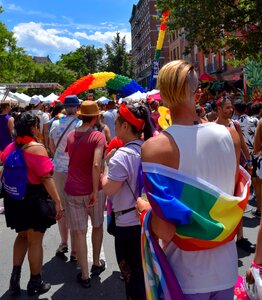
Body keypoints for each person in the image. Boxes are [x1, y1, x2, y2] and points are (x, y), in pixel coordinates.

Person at [136, 60, 247, 299]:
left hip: (185, 275)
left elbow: (165, 231)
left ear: (162, 96)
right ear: (198, 93)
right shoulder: (230, 135)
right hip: (226, 268)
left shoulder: (155, 148)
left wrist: (145, 212)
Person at [0, 112, 63, 296]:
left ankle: (14, 280)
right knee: (35, 242)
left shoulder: (12, 147)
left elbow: (3, 164)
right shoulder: (36, 148)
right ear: (33, 128)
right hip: (33, 199)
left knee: (21, 237)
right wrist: (58, 202)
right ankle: (35, 282)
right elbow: (46, 178)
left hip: (14, 199)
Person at [102, 103, 154, 300]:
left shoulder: (121, 156)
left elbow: (109, 188)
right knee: (148, 275)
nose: (114, 126)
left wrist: (104, 170)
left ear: (125, 126)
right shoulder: (150, 148)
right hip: (149, 220)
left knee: (132, 279)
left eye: (116, 123)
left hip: (128, 225)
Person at [64, 101, 107, 288]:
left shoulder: (71, 135)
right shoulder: (98, 136)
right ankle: (96, 263)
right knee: (97, 226)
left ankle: (84, 274)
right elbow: (97, 164)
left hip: (72, 190)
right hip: (94, 190)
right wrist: (94, 191)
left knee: (79, 233)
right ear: (96, 117)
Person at [215, 97, 256, 253]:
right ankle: (222, 237)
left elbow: (243, 146)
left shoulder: (235, 124)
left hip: (235, 171)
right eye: (226, 107)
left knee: (238, 204)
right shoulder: (212, 127)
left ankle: (240, 238)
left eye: (231, 107)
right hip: (219, 172)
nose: (230, 110)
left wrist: (250, 163)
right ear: (218, 109)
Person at [49, 95, 82, 261]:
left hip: (59, 169)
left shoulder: (55, 124)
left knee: (61, 206)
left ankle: (63, 243)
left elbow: (51, 147)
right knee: (75, 208)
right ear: (76, 107)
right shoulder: (81, 125)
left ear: (64, 107)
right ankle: (75, 250)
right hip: (76, 170)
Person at [234, 100, 261, 217]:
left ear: (235, 110)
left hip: (242, 158)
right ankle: (259, 207)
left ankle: (241, 207)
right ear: (246, 109)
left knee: (242, 183)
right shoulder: (255, 120)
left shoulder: (234, 123)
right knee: (257, 183)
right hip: (255, 155)